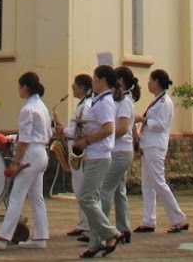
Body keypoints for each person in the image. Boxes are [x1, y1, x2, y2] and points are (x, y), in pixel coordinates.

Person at [0, 71, 51, 250]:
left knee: (16, 196)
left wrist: (16, 162)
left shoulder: (28, 109)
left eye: (19, 87)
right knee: (37, 198)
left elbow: (24, 140)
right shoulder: (41, 106)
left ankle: (3, 237)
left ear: (25, 87)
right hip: (42, 152)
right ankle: (41, 237)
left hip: (31, 153)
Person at [74, 64, 121, 258]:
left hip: (99, 155)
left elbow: (108, 128)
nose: (92, 82)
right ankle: (95, 242)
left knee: (85, 197)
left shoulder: (104, 102)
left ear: (102, 80)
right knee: (93, 199)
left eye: (94, 78)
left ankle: (110, 233)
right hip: (95, 154)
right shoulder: (99, 100)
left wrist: (85, 141)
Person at [136, 68, 187, 234]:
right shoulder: (157, 100)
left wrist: (143, 119)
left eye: (150, 80)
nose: (148, 83)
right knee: (148, 184)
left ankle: (178, 218)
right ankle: (148, 220)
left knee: (158, 181)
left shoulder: (165, 102)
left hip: (155, 145)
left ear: (157, 82)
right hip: (148, 143)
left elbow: (160, 125)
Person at [105, 67, 137, 240]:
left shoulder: (124, 102)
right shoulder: (119, 101)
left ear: (120, 82)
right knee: (118, 190)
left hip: (120, 151)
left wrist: (103, 134)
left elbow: (123, 128)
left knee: (105, 189)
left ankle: (102, 229)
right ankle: (124, 228)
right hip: (119, 150)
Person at [64, 74, 96, 239]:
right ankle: (82, 223)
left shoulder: (87, 105)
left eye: (75, 85)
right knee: (78, 186)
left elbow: (79, 129)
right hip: (74, 144)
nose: (72, 88)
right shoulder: (82, 104)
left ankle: (88, 225)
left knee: (81, 187)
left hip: (78, 145)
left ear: (82, 88)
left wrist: (63, 130)